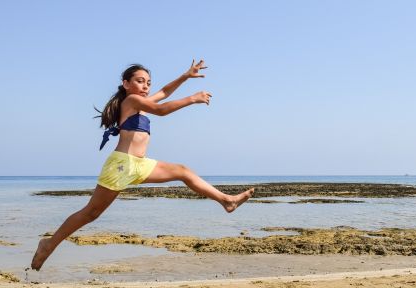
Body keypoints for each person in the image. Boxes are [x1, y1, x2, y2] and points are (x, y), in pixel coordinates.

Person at [31, 60, 254, 270]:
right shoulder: (132, 101)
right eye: (140, 81)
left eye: (148, 82)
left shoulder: (142, 104)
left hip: (140, 164)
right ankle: (49, 244)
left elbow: (164, 92)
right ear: (126, 84)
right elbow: (162, 109)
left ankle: (227, 200)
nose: (145, 85)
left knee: (183, 171)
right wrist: (192, 98)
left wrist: (185, 76)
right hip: (121, 165)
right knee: (91, 213)